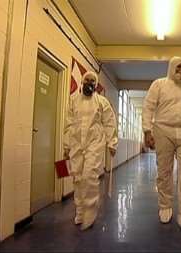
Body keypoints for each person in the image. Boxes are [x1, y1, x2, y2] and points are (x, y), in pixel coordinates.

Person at [142, 56, 181, 229]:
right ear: (171, 68)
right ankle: (165, 205)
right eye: (179, 67)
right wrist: (147, 131)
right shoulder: (159, 84)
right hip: (163, 130)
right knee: (164, 171)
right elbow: (148, 107)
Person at [63, 71, 118, 230]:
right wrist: (66, 146)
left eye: (93, 81)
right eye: (87, 80)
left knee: (89, 175)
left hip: (94, 143)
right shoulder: (73, 101)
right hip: (76, 144)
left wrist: (112, 143)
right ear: (82, 81)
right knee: (78, 178)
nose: (90, 83)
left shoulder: (102, 102)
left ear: (96, 85)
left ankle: (91, 210)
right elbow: (68, 124)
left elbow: (109, 122)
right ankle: (80, 211)